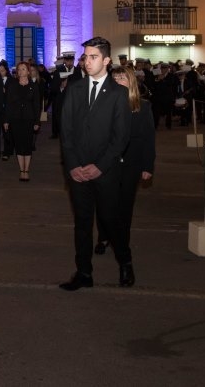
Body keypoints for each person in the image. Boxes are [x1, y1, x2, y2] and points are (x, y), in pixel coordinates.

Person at [58, 36, 133, 292]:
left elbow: (120, 138)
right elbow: (65, 132)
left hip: (106, 171)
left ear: (106, 61)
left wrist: (100, 166)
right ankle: (83, 272)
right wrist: (73, 166)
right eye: (85, 57)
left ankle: (125, 261)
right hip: (78, 171)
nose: (87, 62)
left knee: (111, 221)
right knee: (82, 222)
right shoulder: (75, 89)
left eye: (93, 57)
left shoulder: (119, 93)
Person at [96, 64, 155, 256]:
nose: (119, 82)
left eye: (122, 78)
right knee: (105, 202)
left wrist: (147, 166)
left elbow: (148, 139)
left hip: (132, 162)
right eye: (115, 79)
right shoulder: (103, 105)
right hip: (108, 162)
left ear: (131, 82)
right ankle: (103, 236)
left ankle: (123, 243)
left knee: (125, 204)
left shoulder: (143, 107)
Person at [3, 61, 41, 181]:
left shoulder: (33, 86)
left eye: (23, 69)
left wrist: (37, 122)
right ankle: (21, 170)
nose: (21, 71)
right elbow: (8, 104)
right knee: (19, 145)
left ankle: (27, 170)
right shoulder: (12, 85)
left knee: (27, 145)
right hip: (15, 119)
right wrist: (6, 120)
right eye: (19, 69)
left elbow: (37, 105)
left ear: (28, 71)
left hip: (29, 119)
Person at [48, 52, 76, 138]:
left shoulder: (78, 71)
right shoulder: (58, 72)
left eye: (71, 60)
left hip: (74, 100)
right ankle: (59, 133)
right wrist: (61, 86)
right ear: (64, 61)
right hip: (61, 99)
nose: (69, 63)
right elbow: (53, 88)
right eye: (67, 61)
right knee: (59, 117)